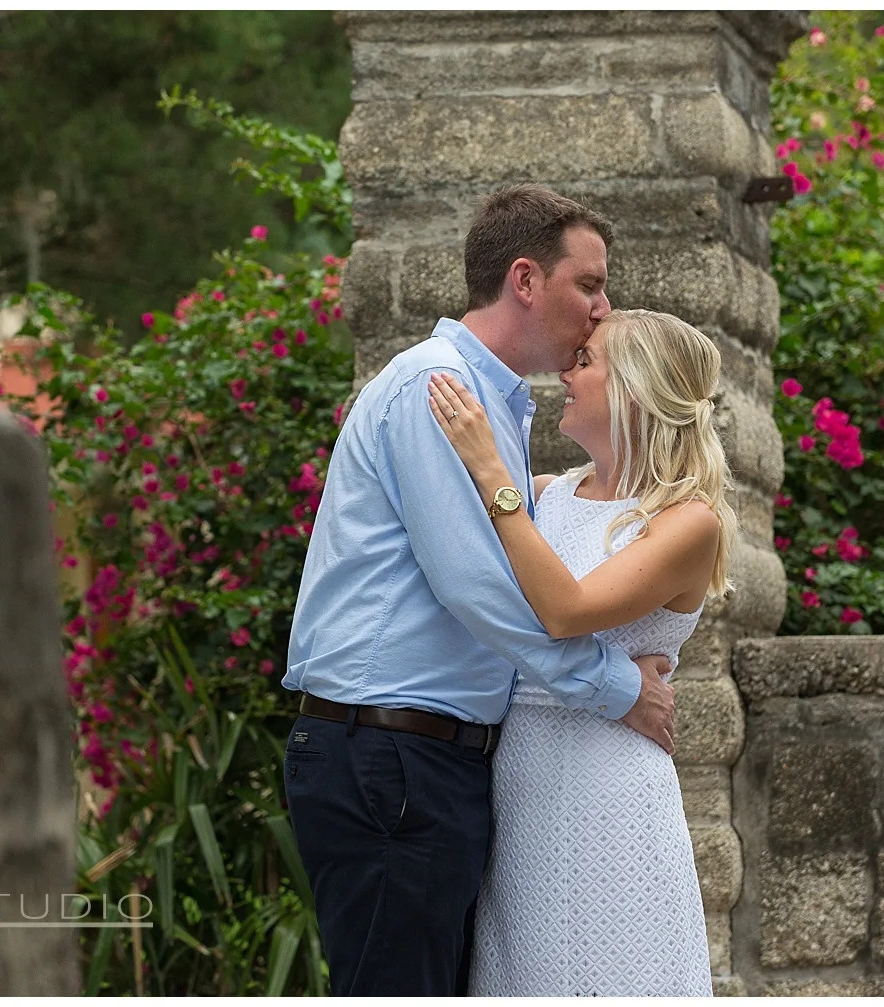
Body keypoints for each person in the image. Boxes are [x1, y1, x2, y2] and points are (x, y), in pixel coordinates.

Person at [279, 183, 677, 997]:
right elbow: (477, 586)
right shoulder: (437, 388)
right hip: (389, 753)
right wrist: (610, 687)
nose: (604, 309)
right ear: (525, 281)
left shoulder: (495, 404)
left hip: (423, 758)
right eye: (589, 285)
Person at [426, 307, 736, 995]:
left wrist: (489, 467)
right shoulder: (548, 496)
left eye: (586, 362)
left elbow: (565, 611)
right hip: (520, 780)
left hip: (612, 789)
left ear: (634, 389)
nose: (565, 372)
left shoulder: (688, 522)